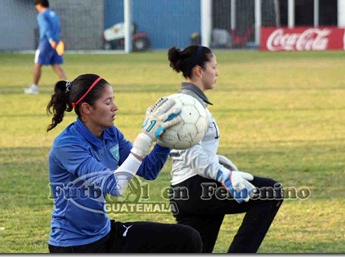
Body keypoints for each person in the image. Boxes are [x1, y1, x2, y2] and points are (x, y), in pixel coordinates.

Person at [46, 73, 202, 253]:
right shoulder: (67, 144)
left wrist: (165, 139)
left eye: (113, 100)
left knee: (188, 238)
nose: (115, 107)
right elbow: (114, 186)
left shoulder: (110, 133)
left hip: (105, 234)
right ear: (87, 108)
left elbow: (147, 169)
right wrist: (144, 139)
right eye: (107, 102)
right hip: (73, 246)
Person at [167, 45, 284, 253]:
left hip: (189, 190)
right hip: (195, 188)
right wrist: (225, 176)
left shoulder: (190, 103)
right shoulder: (188, 105)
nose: (217, 72)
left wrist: (219, 162)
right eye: (214, 66)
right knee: (270, 192)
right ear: (199, 71)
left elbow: (194, 151)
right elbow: (192, 155)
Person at [24, 0, 66, 95]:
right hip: (56, 41)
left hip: (46, 42)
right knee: (55, 65)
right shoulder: (54, 14)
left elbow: (46, 27)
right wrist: (56, 40)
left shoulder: (42, 15)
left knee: (37, 64)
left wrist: (51, 39)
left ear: (39, 5)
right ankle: (68, 85)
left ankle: (34, 87)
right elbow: (58, 28)